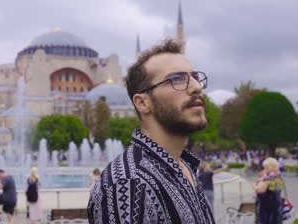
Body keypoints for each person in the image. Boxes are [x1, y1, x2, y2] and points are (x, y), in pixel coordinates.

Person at [88, 39, 215, 223]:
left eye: (195, 77)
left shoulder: (184, 166)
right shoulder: (130, 184)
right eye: (177, 79)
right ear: (142, 103)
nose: (196, 87)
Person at [254, 157, 285, 224]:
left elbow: (260, 190)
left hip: (267, 213)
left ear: (269, 168)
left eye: (265, 167)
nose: (264, 169)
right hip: (276, 211)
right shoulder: (278, 178)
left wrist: (254, 185)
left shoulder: (268, 179)